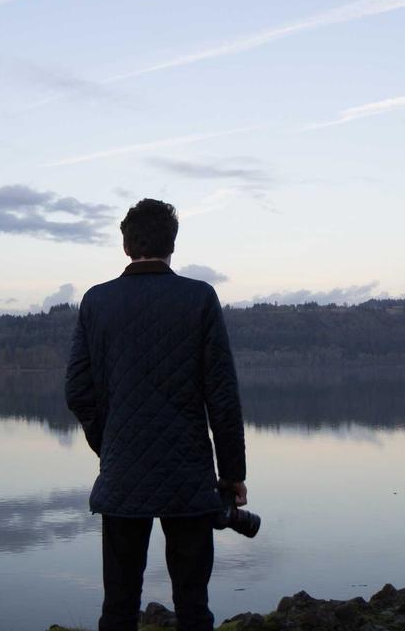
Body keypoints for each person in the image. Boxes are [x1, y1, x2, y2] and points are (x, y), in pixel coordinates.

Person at [66, 197, 247, 631]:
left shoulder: (96, 301)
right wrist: (233, 474)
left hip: (123, 473)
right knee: (193, 606)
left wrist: (108, 444)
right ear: (172, 244)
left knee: (119, 606)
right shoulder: (200, 298)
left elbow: (77, 390)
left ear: (127, 247)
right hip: (188, 475)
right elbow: (221, 395)